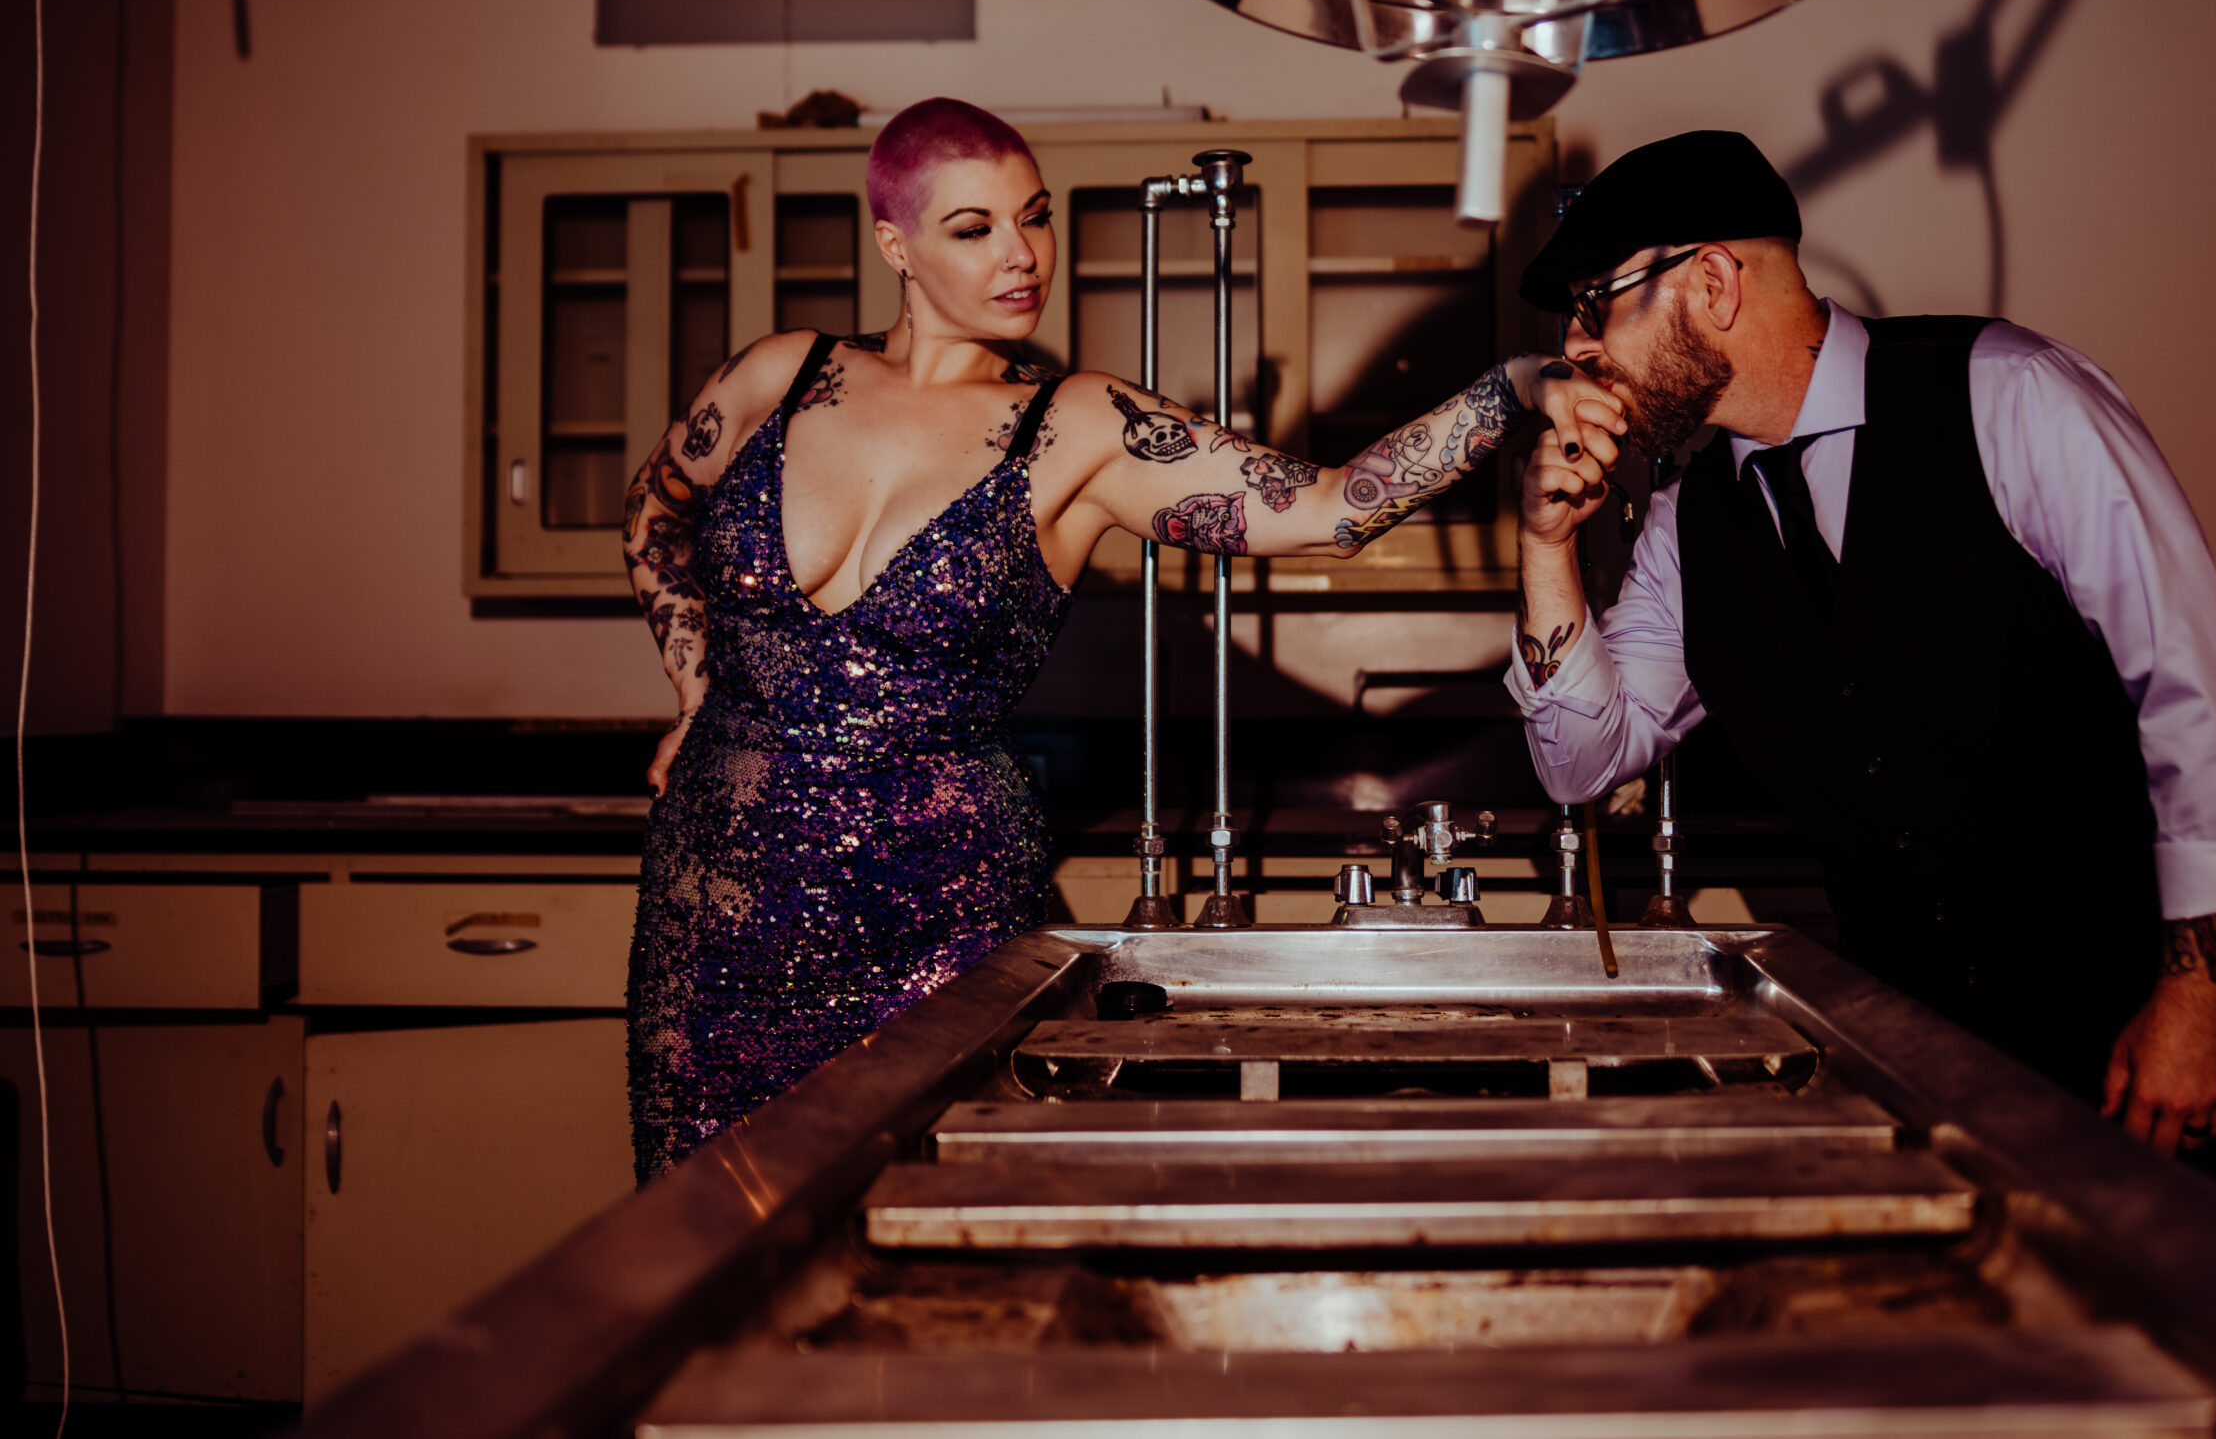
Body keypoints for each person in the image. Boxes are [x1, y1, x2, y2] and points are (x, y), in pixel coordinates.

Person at [620, 98, 1623, 1182]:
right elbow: (653, 508)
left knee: (922, 1237)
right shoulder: (779, 373)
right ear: (893, 245)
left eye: (1035, 217)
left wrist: (1511, 387)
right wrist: (695, 685)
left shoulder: (1079, 426)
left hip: (930, 920)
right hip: (709, 913)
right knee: (700, 1235)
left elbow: (1332, 508)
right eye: (974, 228)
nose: (1022, 254)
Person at [1506, 131, 2216, 1215]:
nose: (1577, 346)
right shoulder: (1694, 519)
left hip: (2135, 1019)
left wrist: (2196, 995)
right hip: (1922, 1053)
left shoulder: (2011, 394)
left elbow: (2194, 692)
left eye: (1598, 300)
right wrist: (1546, 548)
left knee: (2194, 1354)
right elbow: (1583, 763)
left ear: (1714, 280)